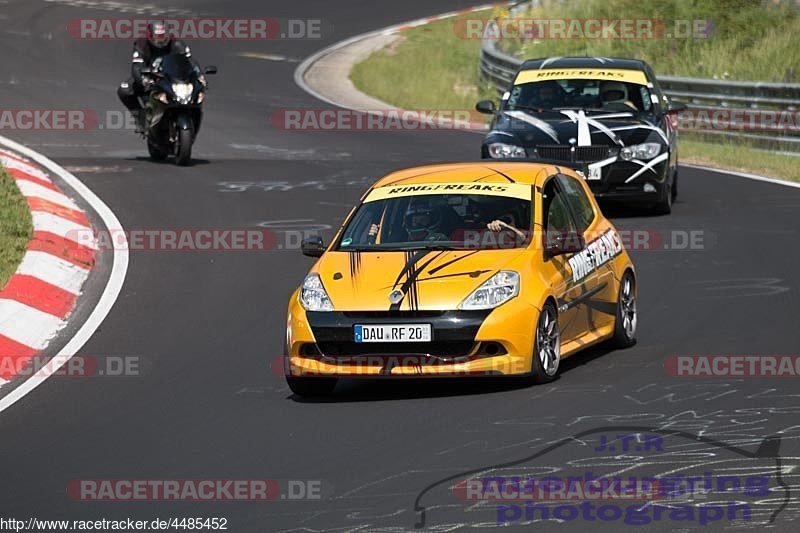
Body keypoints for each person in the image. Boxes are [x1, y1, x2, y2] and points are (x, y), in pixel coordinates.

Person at [116, 21, 197, 134]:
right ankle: (141, 117)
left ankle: (192, 115)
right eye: (157, 37)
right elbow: (136, 67)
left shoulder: (178, 44)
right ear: (150, 35)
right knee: (124, 90)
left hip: (171, 78)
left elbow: (191, 63)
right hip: (150, 76)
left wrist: (199, 76)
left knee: (196, 89)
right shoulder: (141, 44)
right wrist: (143, 80)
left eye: (163, 36)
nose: (160, 40)